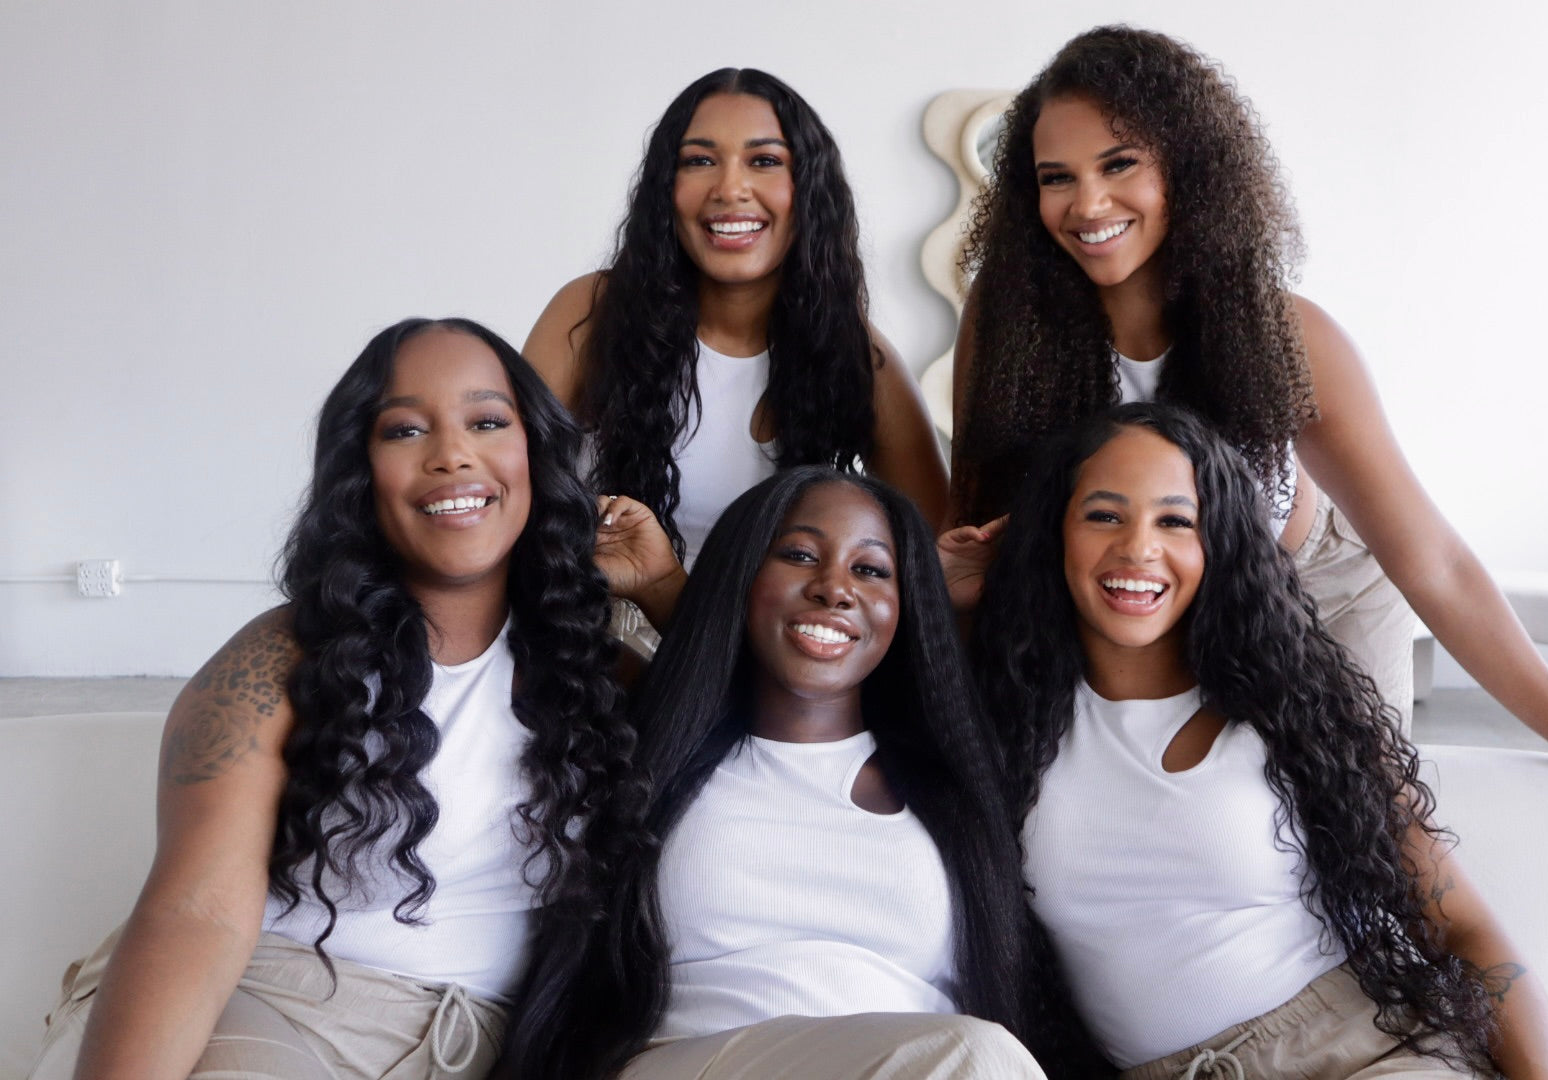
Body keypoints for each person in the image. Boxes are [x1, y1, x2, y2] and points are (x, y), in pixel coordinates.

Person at [949, 24, 1548, 778]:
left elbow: (1434, 564)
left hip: (1324, 585)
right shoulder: (1008, 322)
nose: (1088, 203)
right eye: (1057, 177)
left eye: (1119, 163)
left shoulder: (1286, 335)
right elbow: (973, 528)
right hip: (1152, 596)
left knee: (1363, 805)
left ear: (1186, 166)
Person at [28, 318, 654, 1080]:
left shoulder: (596, 672)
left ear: (535, 453)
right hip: (264, 1001)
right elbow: (196, 914)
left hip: (478, 1046)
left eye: (487, 422)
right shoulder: (278, 662)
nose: (452, 454)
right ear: (361, 471)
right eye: (405, 430)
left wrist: (664, 588)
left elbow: (765, 721)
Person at [973, 403, 1548, 1079]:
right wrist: (941, 591)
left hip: (1362, 1051)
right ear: (1053, 531)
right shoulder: (1006, 723)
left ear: (1219, 542)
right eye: (1105, 515)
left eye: (1176, 521)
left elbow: (1464, 929)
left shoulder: (1297, 709)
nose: (1139, 547)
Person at [504, 467, 1049, 1080]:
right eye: (799, 555)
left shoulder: (953, 791)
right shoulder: (646, 753)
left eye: (870, 570)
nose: (834, 588)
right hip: (689, 1060)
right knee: (977, 1056)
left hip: (919, 1065)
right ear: (743, 574)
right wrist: (655, 583)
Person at [524, 67, 948, 573]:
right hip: (597, 615)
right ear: (666, 187)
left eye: (764, 161)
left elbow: (932, 550)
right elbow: (507, 491)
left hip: (765, 624)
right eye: (699, 160)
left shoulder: (852, 353)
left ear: (809, 189)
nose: (729, 188)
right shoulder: (591, 310)